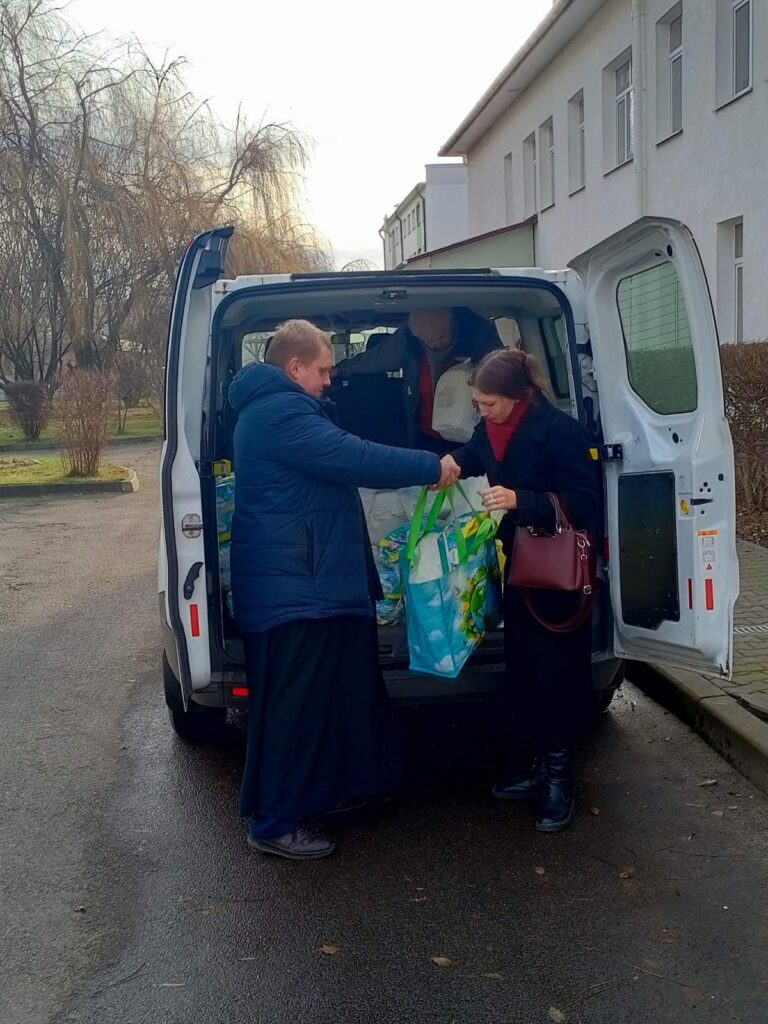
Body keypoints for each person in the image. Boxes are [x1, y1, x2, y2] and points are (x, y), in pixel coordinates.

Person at [228, 319, 456, 861]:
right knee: (294, 708)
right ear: (295, 367)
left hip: (304, 581)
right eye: (325, 370)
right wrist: (431, 464)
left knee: (320, 701)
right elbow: (354, 457)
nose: (331, 380)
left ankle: (318, 799)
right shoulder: (279, 413)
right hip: (295, 588)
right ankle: (275, 822)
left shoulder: (278, 406)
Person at [440, 348, 598, 833]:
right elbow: (474, 453)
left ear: (517, 395)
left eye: (489, 403)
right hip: (519, 570)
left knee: (556, 678)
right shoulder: (490, 427)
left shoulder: (561, 431)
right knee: (526, 672)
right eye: (477, 403)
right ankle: (534, 769)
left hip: (557, 576)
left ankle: (559, 781)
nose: (482, 411)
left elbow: (585, 501)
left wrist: (521, 501)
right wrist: (447, 464)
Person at [337, 307, 502, 451]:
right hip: (426, 437)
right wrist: (341, 370)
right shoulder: (410, 344)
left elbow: (501, 377)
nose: (437, 344)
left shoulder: (479, 341)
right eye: (430, 341)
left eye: (442, 337)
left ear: (453, 325)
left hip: (471, 438)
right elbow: (375, 359)